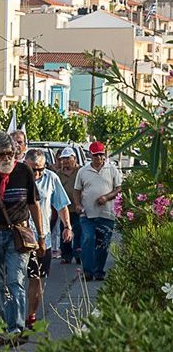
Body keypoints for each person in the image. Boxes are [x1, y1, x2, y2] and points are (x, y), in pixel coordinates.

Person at [0, 132, 44, 344]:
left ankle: (15, 328)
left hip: (18, 234)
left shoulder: (24, 172)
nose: (6, 158)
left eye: (10, 153)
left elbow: (34, 204)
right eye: (2, 154)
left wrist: (41, 236)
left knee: (16, 280)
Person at [23, 149, 72, 330]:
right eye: (32, 170)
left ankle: (31, 315)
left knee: (37, 279)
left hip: (43, 240)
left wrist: (67, 226)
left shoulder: (51, 178)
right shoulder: (16, 177)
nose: (36, 174)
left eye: (40, 169)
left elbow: (61, 204)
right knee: (16, 279)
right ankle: (15, 317)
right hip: (17, 239)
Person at [74, 141, 122, 281]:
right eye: (96, 155)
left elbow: (118, 188)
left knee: (103, 243)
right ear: (90, 155)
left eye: (101, 155)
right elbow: (77, 191)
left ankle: (99, 270)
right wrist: (77, 205)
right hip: (87, 213)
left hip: (106, 214)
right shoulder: (83, 171)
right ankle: (87, 271)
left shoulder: (112, 169)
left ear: (104, 154)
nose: (99, 158)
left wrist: (107, 197)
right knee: (88, 239)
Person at [56, 147, 82, 264]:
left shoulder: (81, 171)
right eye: (63, 159)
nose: (65, 161)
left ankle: (78, 254)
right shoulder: (59, 174)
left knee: (78, 230)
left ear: (74, 158)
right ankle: (66, 255)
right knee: (65, 230)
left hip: (78, 207)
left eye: (68, 158)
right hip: (63, 208)